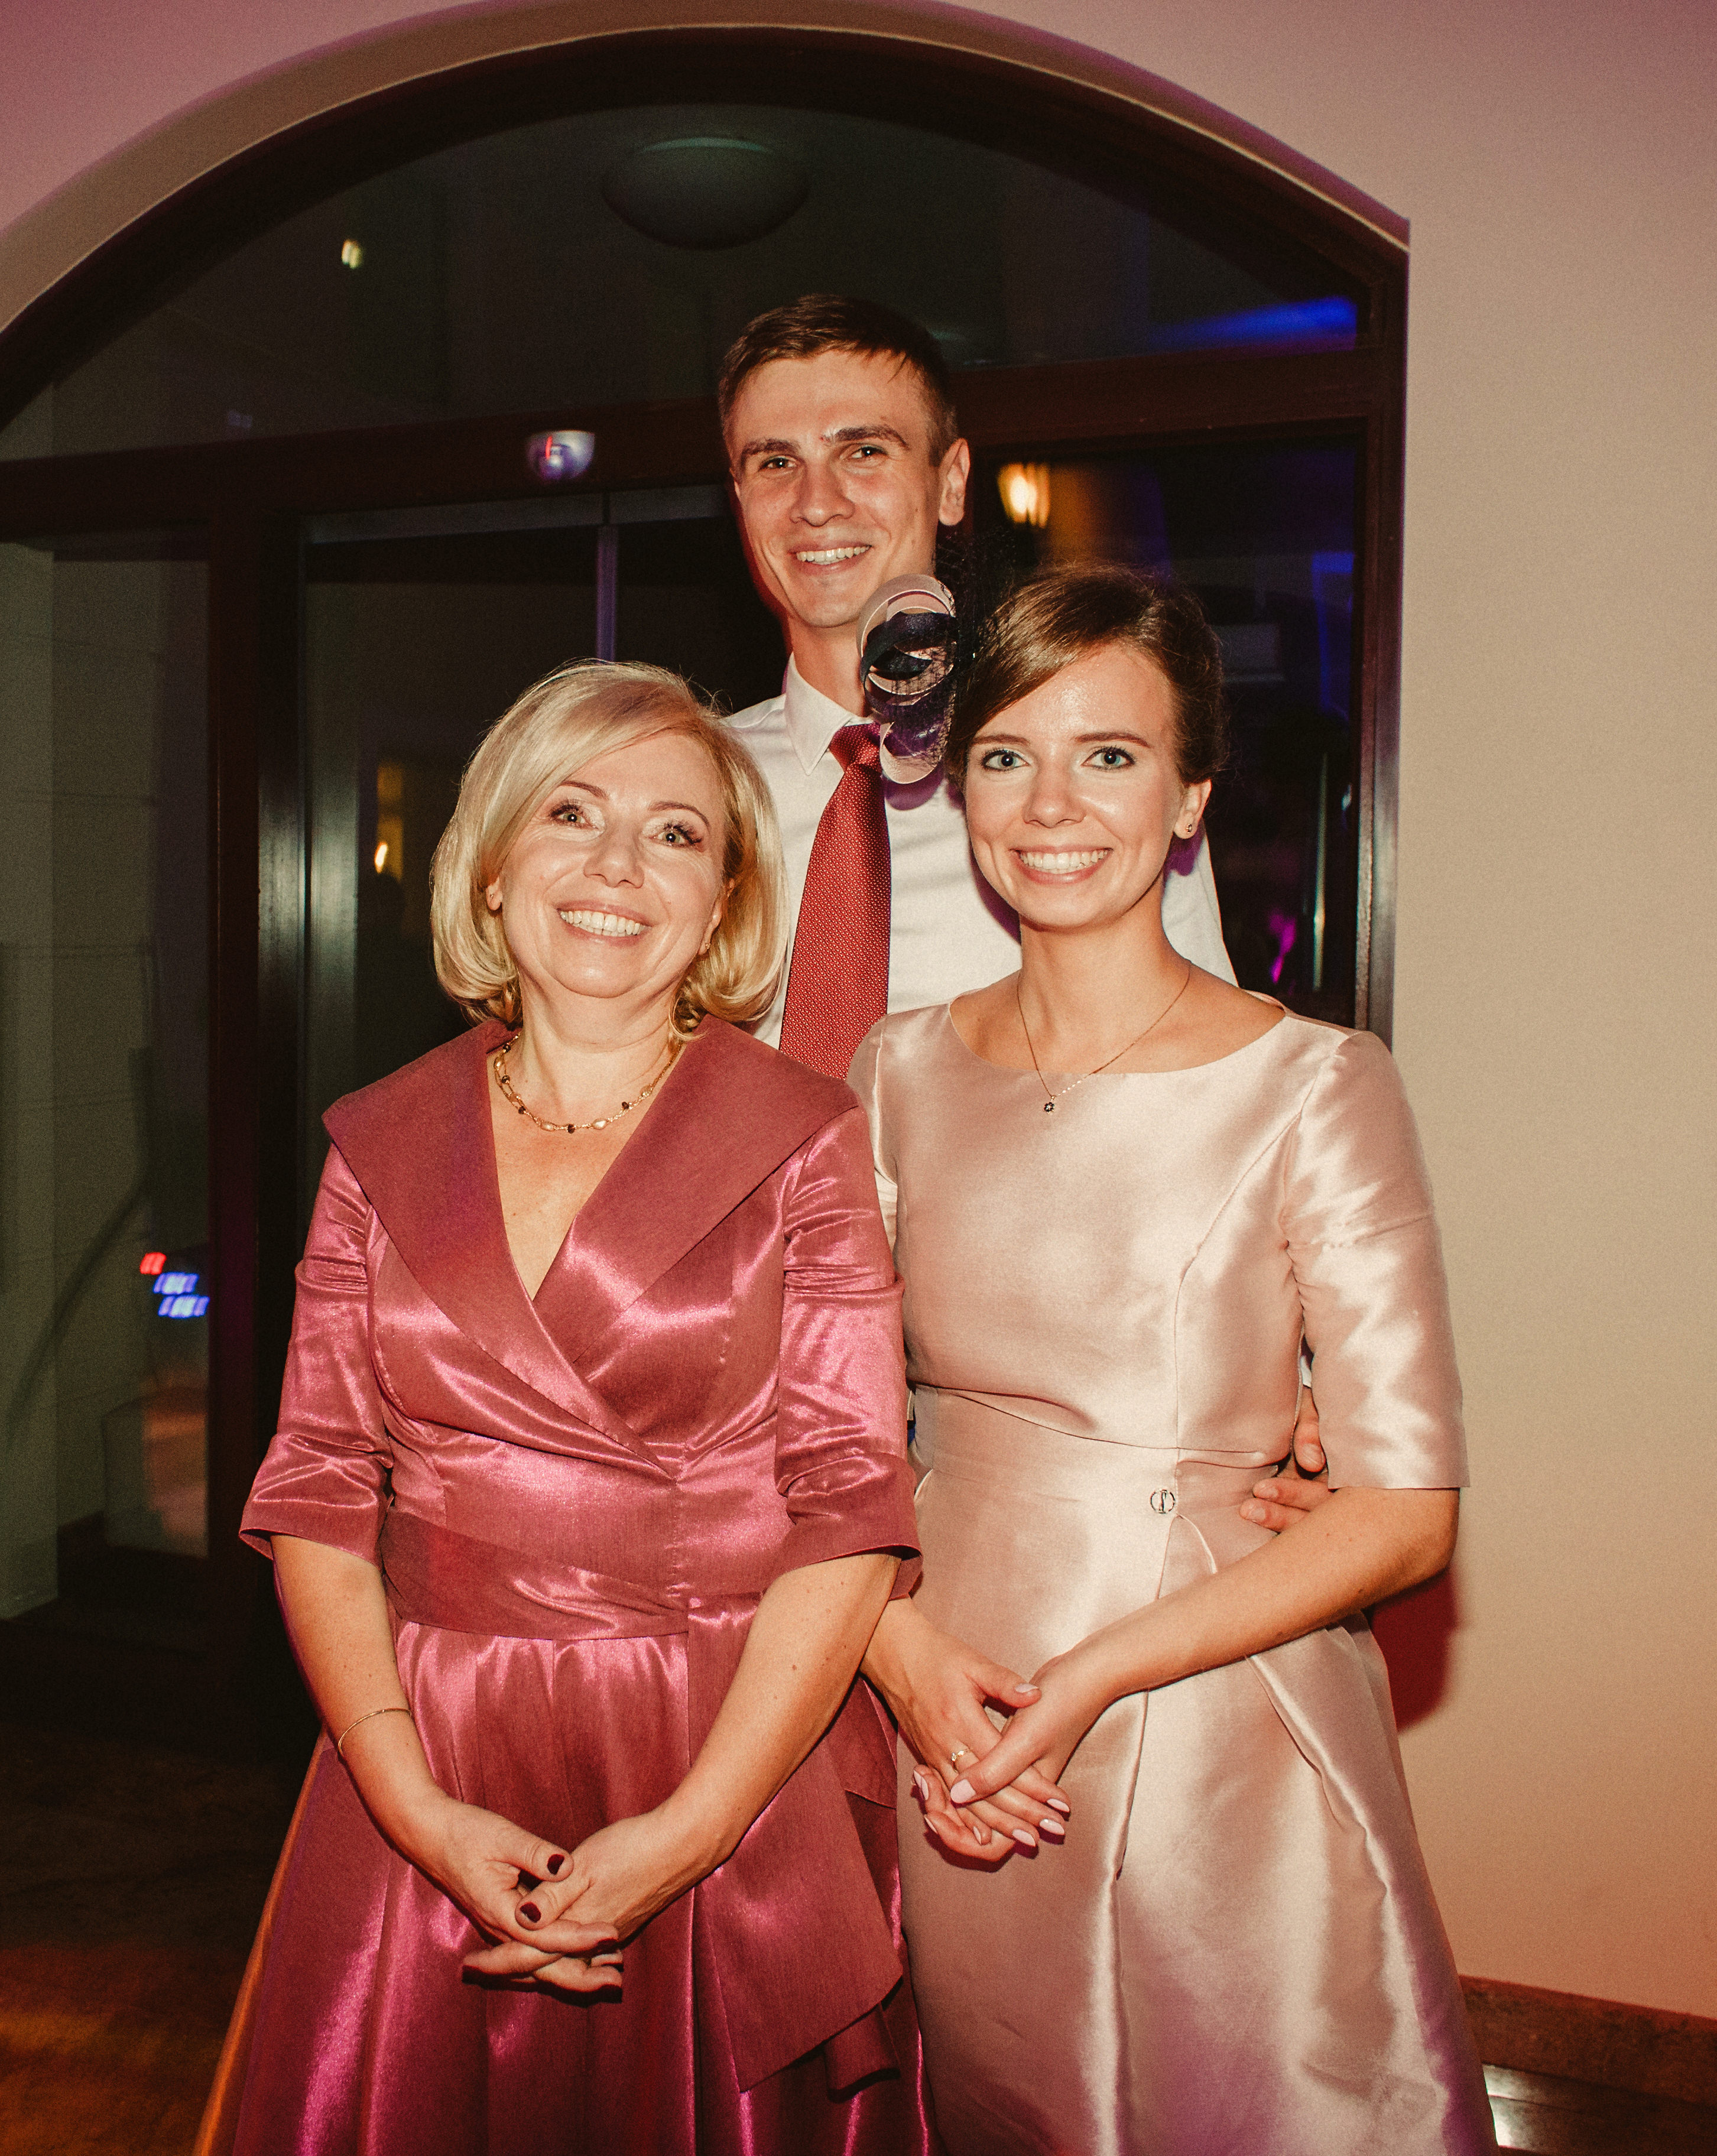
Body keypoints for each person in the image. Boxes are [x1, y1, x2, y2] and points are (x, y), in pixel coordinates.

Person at [210, 661, 925, 2155]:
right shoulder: (377, 1142)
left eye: (676, 834)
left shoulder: (802, 1139)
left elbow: (854, 1510)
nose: (617, 866)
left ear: (722, 902)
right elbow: (321, 1488)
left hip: (720, 1751)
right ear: (492, 862)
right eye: (572, 813)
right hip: (424, 1754)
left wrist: (691, 1832)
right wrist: (413, 1805)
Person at [849, 563, 1491, 2155]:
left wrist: (1094, 1676)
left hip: (1212, 1714)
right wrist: (902, 1657)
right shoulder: (896, 1070)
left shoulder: (1317, 1084)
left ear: (1192, 794)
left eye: (1112, 755)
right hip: (943, 1696)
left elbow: (1405, 1511)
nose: (1051, 804)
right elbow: (816, 1433)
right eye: (1007, 755)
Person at [712, 293, 1230, 1083]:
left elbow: (1205, 1073)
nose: (817, 504)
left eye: (864, 452)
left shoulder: (1085, 792)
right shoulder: (685, 790)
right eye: (776, 463)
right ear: (740, 499)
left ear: (951, 481)